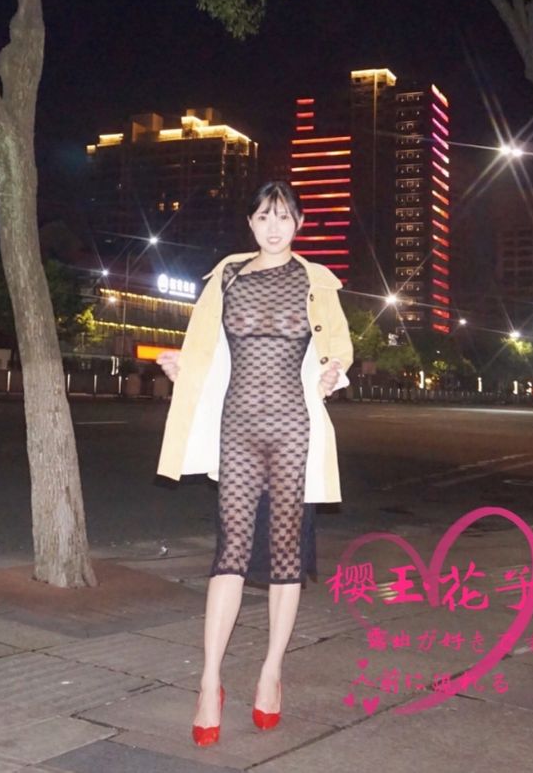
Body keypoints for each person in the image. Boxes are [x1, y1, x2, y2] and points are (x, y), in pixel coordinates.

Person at [154, 181, 353, 747]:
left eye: (284, 217)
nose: (273, 227)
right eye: (265, 216)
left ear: (299, 224)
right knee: (231, 553)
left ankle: (271, 674)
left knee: (286, 555)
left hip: (294, 428)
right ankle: (208, 683)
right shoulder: (227, 276)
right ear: (250, 223)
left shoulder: (317, 282)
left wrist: (334, 371)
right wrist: (183, 368)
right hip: (237, 426)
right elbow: (203, 349)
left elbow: (339, 348)